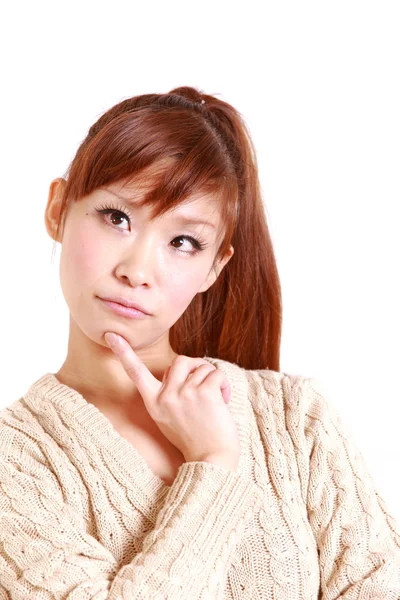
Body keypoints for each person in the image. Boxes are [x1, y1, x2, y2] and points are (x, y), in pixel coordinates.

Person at [0, 87, 399, 600]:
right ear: (58, 209)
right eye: (117, 217)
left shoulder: (295, 417)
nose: (137, 270)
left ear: (215, 266)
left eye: (182, 242)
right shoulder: (15, 462)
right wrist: (212, 463)